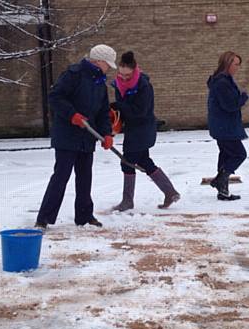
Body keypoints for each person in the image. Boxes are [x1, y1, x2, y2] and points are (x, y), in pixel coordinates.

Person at [35, 44, 117, 229]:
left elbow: (103, 111)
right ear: (98, 61)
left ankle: (84, 216)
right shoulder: (74, 74)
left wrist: (106, 133)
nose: (108, 68)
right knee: (61, 176)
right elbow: (55, 97)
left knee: (85, 177)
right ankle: (44, 218)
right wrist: (72, 114)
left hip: (87, 137)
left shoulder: (99, 83)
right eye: (107, 64)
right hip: (67, 136)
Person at [111, 51, 180, 211]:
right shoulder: (119, 85)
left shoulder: (143, 86)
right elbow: (123, 109)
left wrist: (119, 106)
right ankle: (170, 192)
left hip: (142, 128)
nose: (124, 78)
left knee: (127, 162)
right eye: (121, 75)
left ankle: (127, 201)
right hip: (133, 130)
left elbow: (139, 111)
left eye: (128, 75)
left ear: (134, 71)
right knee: (144, 161)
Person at [207, 51, 249, 200]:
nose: (238, 67)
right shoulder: (222, 82)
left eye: (239, 64)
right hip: (225, 127)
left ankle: (222, 191)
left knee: (225, 155)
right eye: (235, 64)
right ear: (227, 63)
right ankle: (220, 181)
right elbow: (229, 105)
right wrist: (243, 98)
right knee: (239, 154)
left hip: (221, 126)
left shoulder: (223, 80)